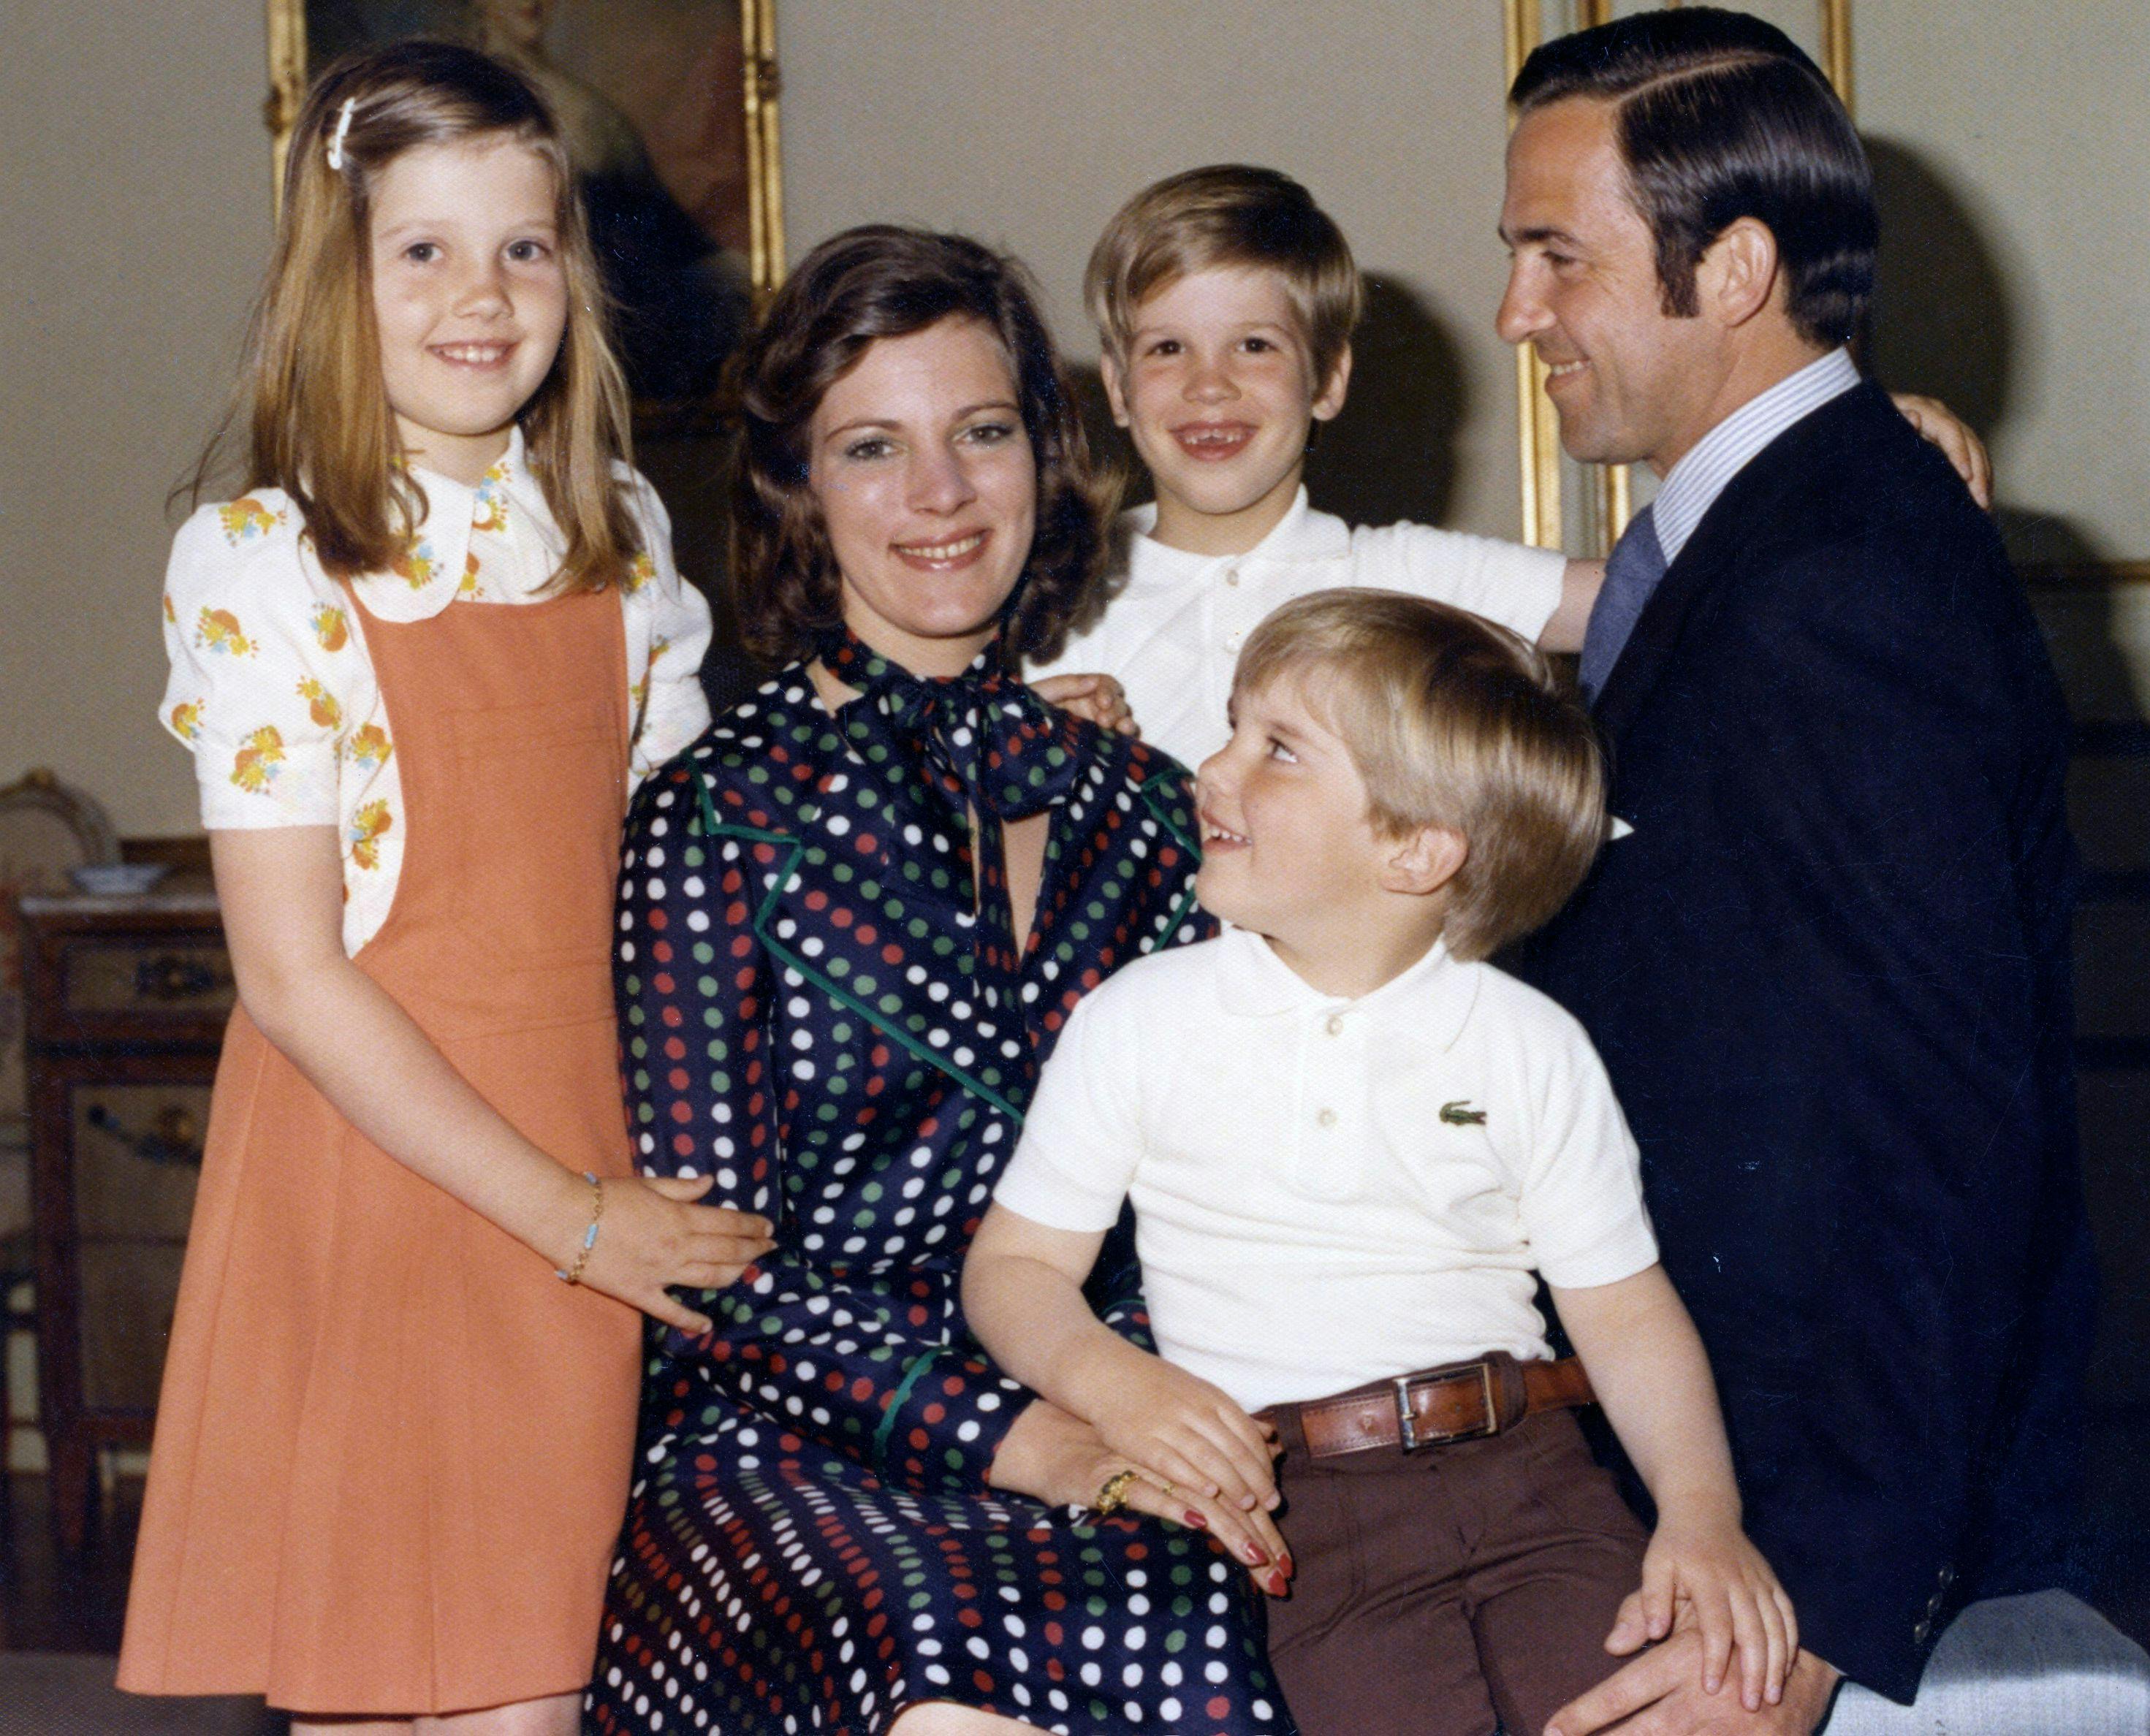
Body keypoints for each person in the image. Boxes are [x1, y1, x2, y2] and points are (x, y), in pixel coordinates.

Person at [1492, 11, 2150, 1734]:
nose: (1518, 313)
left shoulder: (1838, 581)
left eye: (1554, 257)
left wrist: (1802, 1608)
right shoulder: (1780, 522)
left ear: (1730, 268)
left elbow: (1930, 1136)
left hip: (1805, 1505)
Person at [121, 41, 772, 1733]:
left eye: (523, 248)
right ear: (338, 282)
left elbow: (675, 859)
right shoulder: (269, 562)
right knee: (377, 1695)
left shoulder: (618, 539)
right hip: (382, 1176)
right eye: (422, 250)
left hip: (573, 1163)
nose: (480, 296)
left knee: (518, 1684)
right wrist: (569, 1215)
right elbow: (295, 975)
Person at [586, 225, 1291, 1736]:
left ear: (1044, 455)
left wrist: (1140, 1410)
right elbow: (713, 1274)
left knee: (1282, 1622)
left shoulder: (1145, 804)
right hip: (793, 1445)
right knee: (938, 1667)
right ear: (795, 488)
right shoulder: (713, 821)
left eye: (980, 433)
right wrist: (1025, 1437)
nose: (939, 495)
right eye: (868, 447)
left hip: (1119, 1399)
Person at [968, 589, 1803, 1736]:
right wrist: (1123, 1384)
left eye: (1276, 750)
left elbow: (1622, 1309)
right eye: (1230, 726)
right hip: (1296, 1511)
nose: (1209, 768)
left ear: (1414, 850)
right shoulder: (1139, 1019)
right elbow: (1011, 1270)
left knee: (1632, 1712)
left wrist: (1699, 1518)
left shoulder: (1529, 1044)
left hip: (1535, 1483)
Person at [1023, 164, 1991, 772]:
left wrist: (1825, 439)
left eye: (1254, 348)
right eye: (1165, 352)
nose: (1208, 388)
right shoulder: (1048, 595)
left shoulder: (1400, 573)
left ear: (1328, 379)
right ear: (1114, 386)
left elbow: (1662, 592)